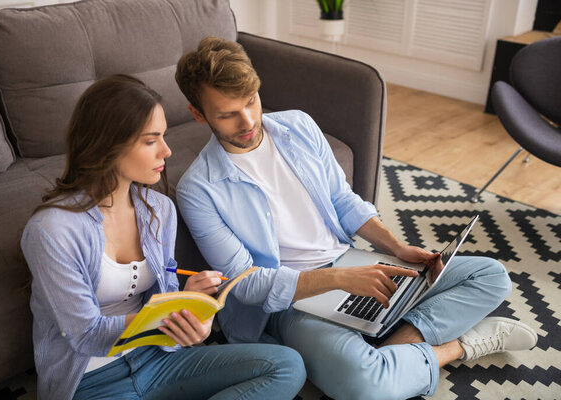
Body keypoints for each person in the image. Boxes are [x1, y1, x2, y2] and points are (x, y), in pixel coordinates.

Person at [174, 37, 538, 400]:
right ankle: (459, 347)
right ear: (198, 114)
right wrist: (340, 279)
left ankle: (388, 351)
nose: (250, 120)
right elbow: (248, 284)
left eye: (251, 101)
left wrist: (397, 247)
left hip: (354, 263)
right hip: (294, 303)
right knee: (365, 385)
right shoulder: (198, 189)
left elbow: (343, 201)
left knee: (491, 276)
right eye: (228, 114)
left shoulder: (298, 126)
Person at [20, 74, 306, 400]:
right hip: (90, 380)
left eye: (164, 137)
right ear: (108, 144)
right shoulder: (52, 231)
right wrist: (161, 319)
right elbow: (85, 335)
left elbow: (164, 295)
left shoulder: (159, 210)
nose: (167, 151)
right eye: (151, 140)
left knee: (286, 366)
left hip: (157, 359)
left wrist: (189, 314)